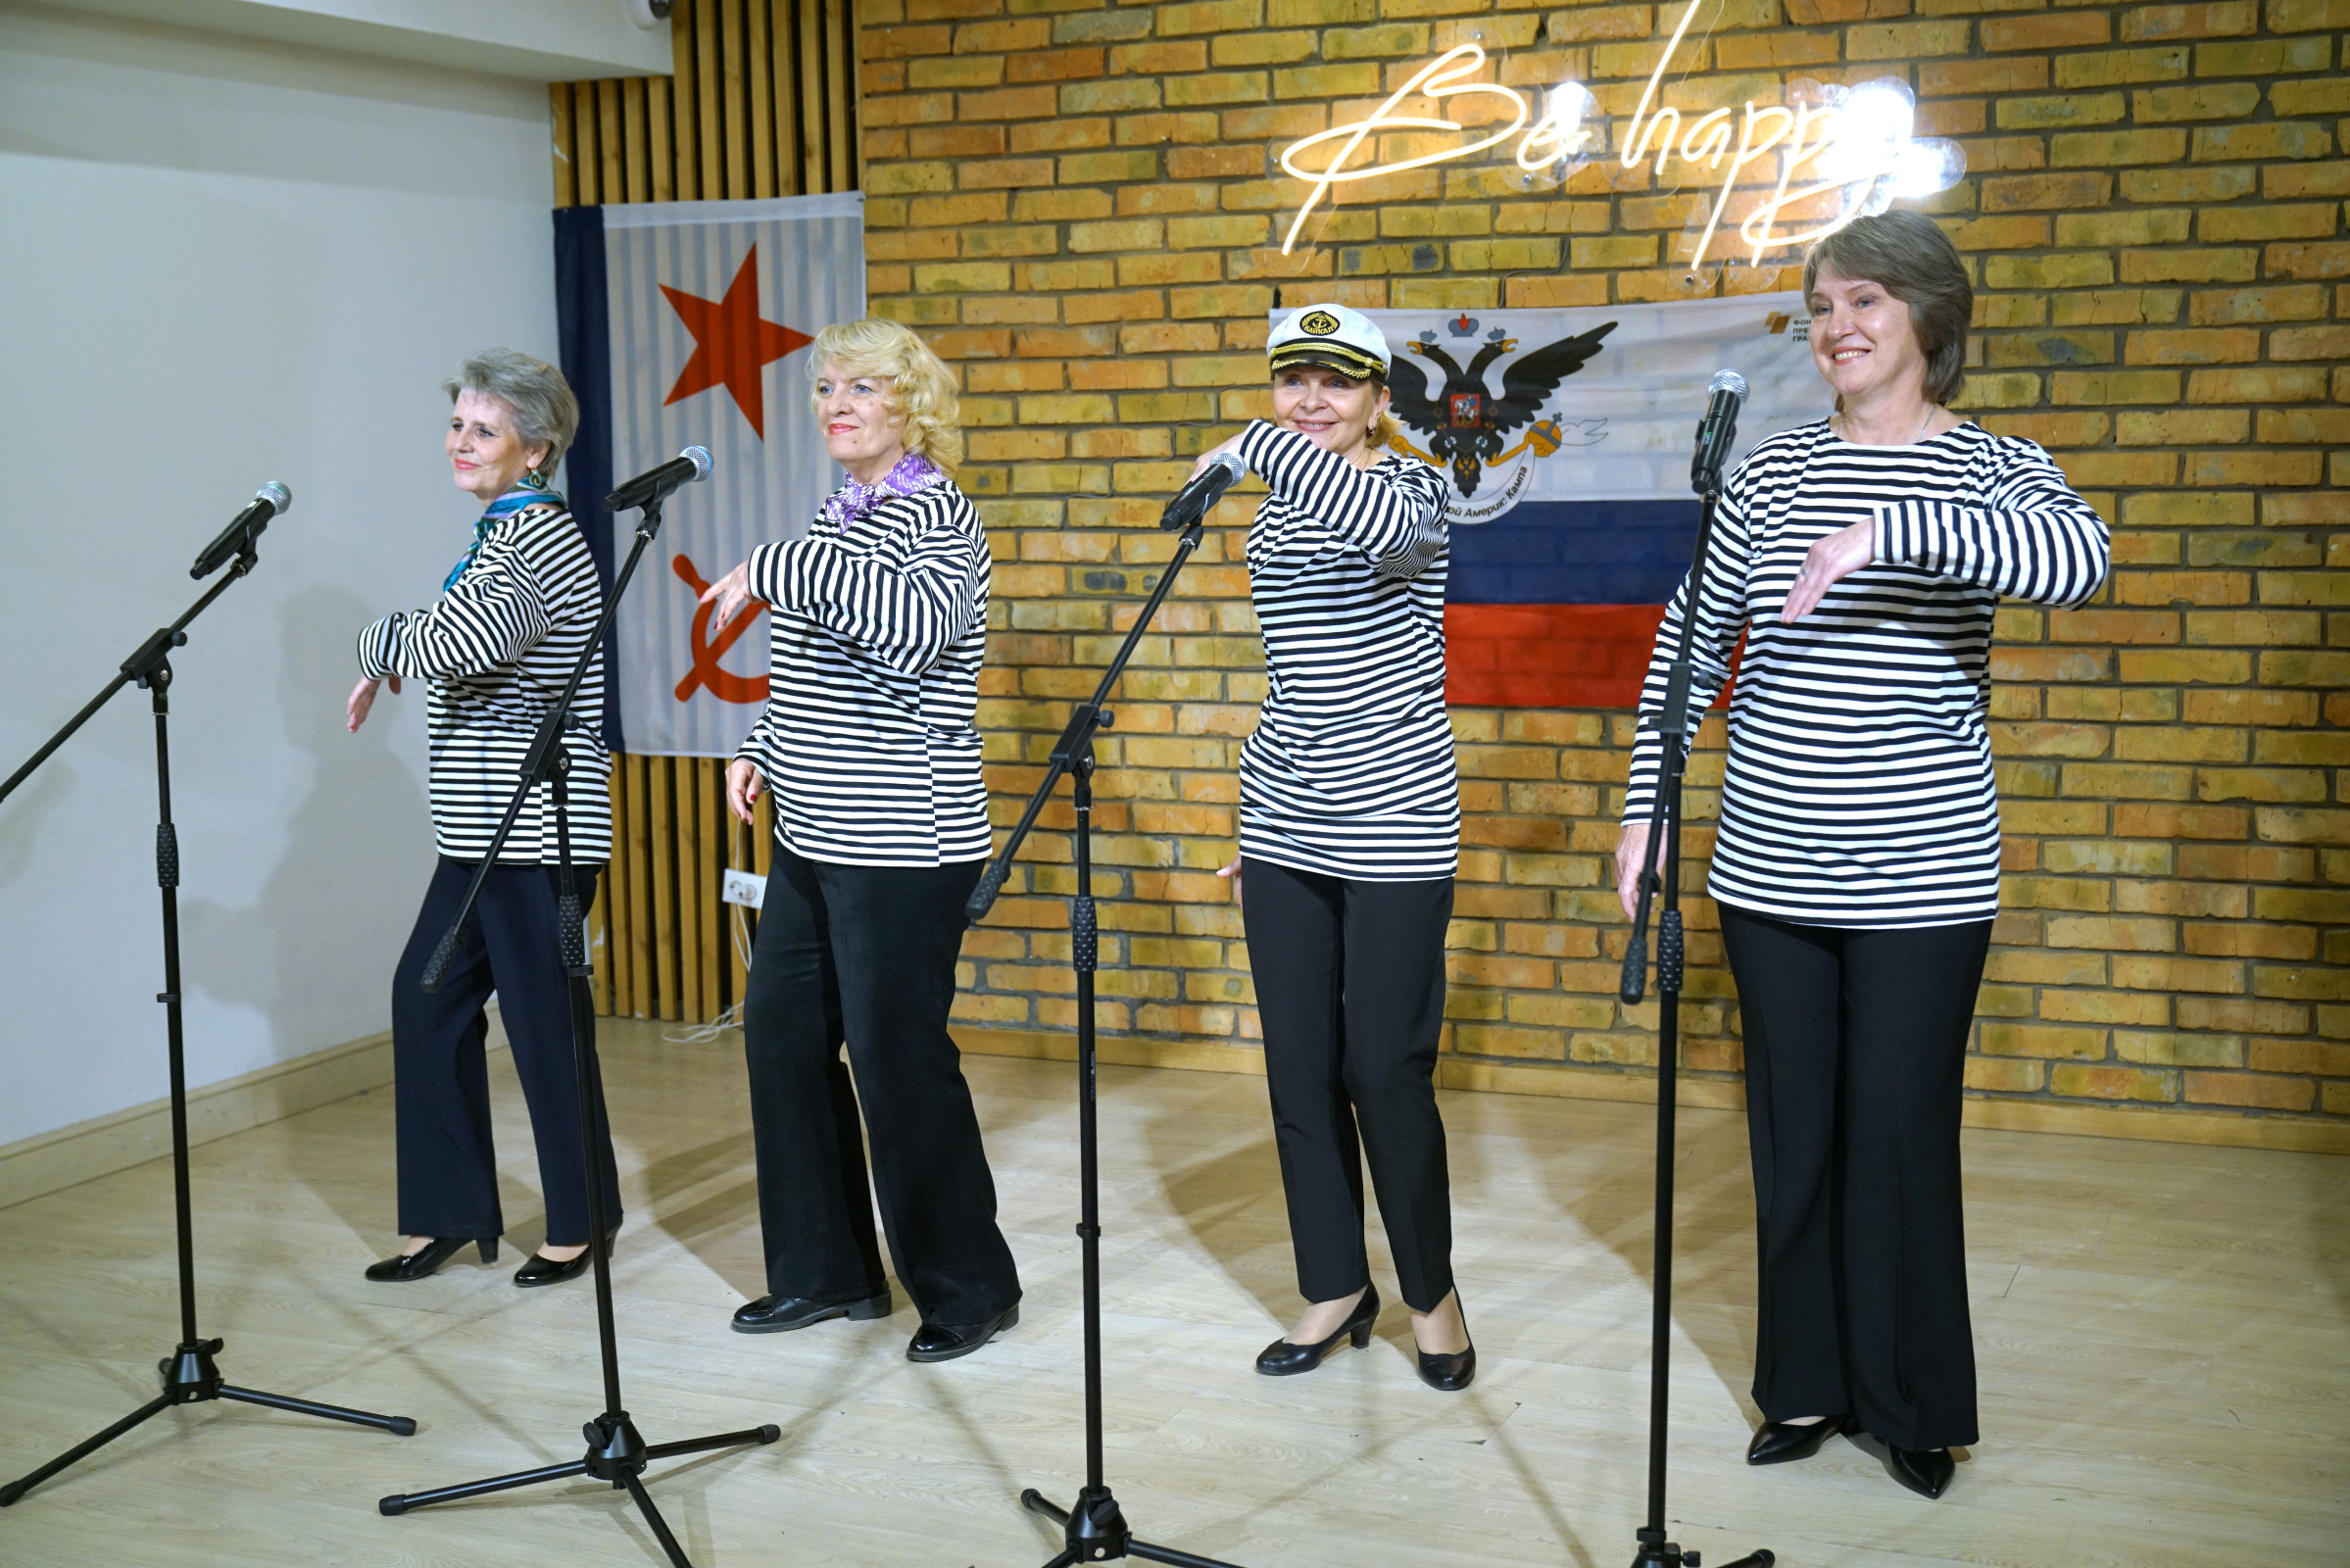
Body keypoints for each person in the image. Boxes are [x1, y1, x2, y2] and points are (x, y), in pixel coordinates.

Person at [1615, 210, 2111, 1498]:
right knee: (1794, 1136)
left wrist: (1888, 532)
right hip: (1767, 868)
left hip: (1923, 876)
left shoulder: (1995, 465)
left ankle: (1907, 1402)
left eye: (1865, 302)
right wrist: (1643, 809)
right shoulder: (1771, 473)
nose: (1837, 326)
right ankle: (1803, 1385)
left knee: (1896, 1135)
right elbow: (1687, 641)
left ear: (1928, 318)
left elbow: (2080, 560)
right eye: (1822, 306)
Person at [699, 318, 1020, 1363]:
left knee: (897, 1061)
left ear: (912, 405)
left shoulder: (939, 513)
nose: (838, 405)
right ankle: (826, 1272)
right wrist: (760, 742)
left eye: (864, 388)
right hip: (815, 826)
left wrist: (774, 562)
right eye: (827, 388)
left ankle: (970, 1289)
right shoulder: (839, 518)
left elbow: (911, 630)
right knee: (782, 1038)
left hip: (904, 839)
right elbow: (818, 661)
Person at [1187, 303, 1473, 1392]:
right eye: (1291, 379)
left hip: (1396, 819)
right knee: (1300, 1068)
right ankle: (1334, 1284)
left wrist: (1250, 446)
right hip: (1286, 819)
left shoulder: (1412, 489)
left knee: (1383, 1070)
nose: (1309, 399)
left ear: (1379, 400)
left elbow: (1377, 532)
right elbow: (1299, 680)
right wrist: (1258, 828)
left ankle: (1431, 1295)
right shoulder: (1276, 511)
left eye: (1336, 381)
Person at [348, 347, 621, 1289]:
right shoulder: (500, 537)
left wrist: (377, 641)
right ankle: (449, 1212)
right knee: (424, 1003)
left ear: (535, 450)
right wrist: (406, 645)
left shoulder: (538, 537)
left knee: (544, 1030)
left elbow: (470, 639)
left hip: (538, 832)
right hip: (479, 834)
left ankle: (582, 1219)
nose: (460, 443)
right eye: (457, 425)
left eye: (484, 430)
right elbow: (460, 638)